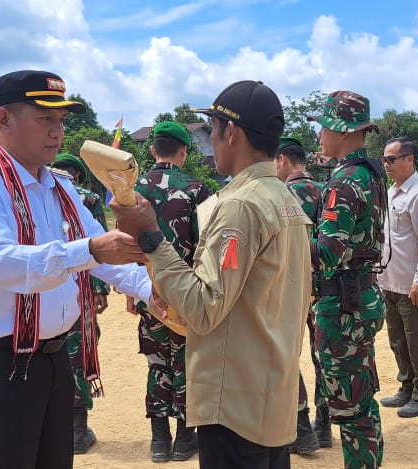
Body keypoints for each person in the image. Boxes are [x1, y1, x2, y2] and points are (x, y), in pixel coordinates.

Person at [0, 70, 156, 469]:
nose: (57, 132)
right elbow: (5, 265)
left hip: (52, 363)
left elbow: (110, 259)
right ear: (3, 120)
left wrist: (156, 292)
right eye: (44, 119)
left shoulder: (61, 187)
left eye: (60, 121)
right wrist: (90, 250)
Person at [110, 80, 312, 469]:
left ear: (231, 132)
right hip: (270, 397)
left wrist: (152, 238)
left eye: (214, 131)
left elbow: (203, 307)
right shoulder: (285, 199)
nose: (211, 143)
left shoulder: (240, 205)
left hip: (235, 404)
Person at [307, 91, 388, 469]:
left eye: (324, 126)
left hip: (342, 307)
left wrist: (285, 237)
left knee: (351, 409)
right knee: (362, 401)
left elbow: (325, 255)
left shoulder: (344, 182)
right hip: (361, 297)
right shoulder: (372, 174)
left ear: (340, 131)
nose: (320, 134)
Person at [130, 120, 210, 462]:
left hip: (148, 291)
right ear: (184, 151)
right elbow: (207, 246)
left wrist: (131, 292)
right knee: (187, 363)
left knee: (156, 362)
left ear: (152, 150)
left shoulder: (131, 190)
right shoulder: (197, 190)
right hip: (186, 293)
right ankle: (184, 439)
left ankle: (158, 440)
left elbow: (125, 244)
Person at [49, 152, 111, 454]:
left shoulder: (36, 190)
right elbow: (99, 246)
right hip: (80, 289)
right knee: (79, 353)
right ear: (77, 174)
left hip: (40, 292)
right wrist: (101, 289)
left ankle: (55, 429)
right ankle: (77, 431)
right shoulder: (87, 197)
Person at [376, 137, 418, 418]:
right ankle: (406, 388)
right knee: (398, 340)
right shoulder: (392, 193)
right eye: (384, 160)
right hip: (391, 281)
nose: (387, 165)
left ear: (409, 159)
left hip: (414, 286)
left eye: (392, 159)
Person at [275, 135, 326, 454]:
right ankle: (324, 425)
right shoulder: (326, 190)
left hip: (293, 288)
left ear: (281, 160)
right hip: (326, 288)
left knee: (286, 358)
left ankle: (302, 427)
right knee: (323, 358)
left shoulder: (282, 194)